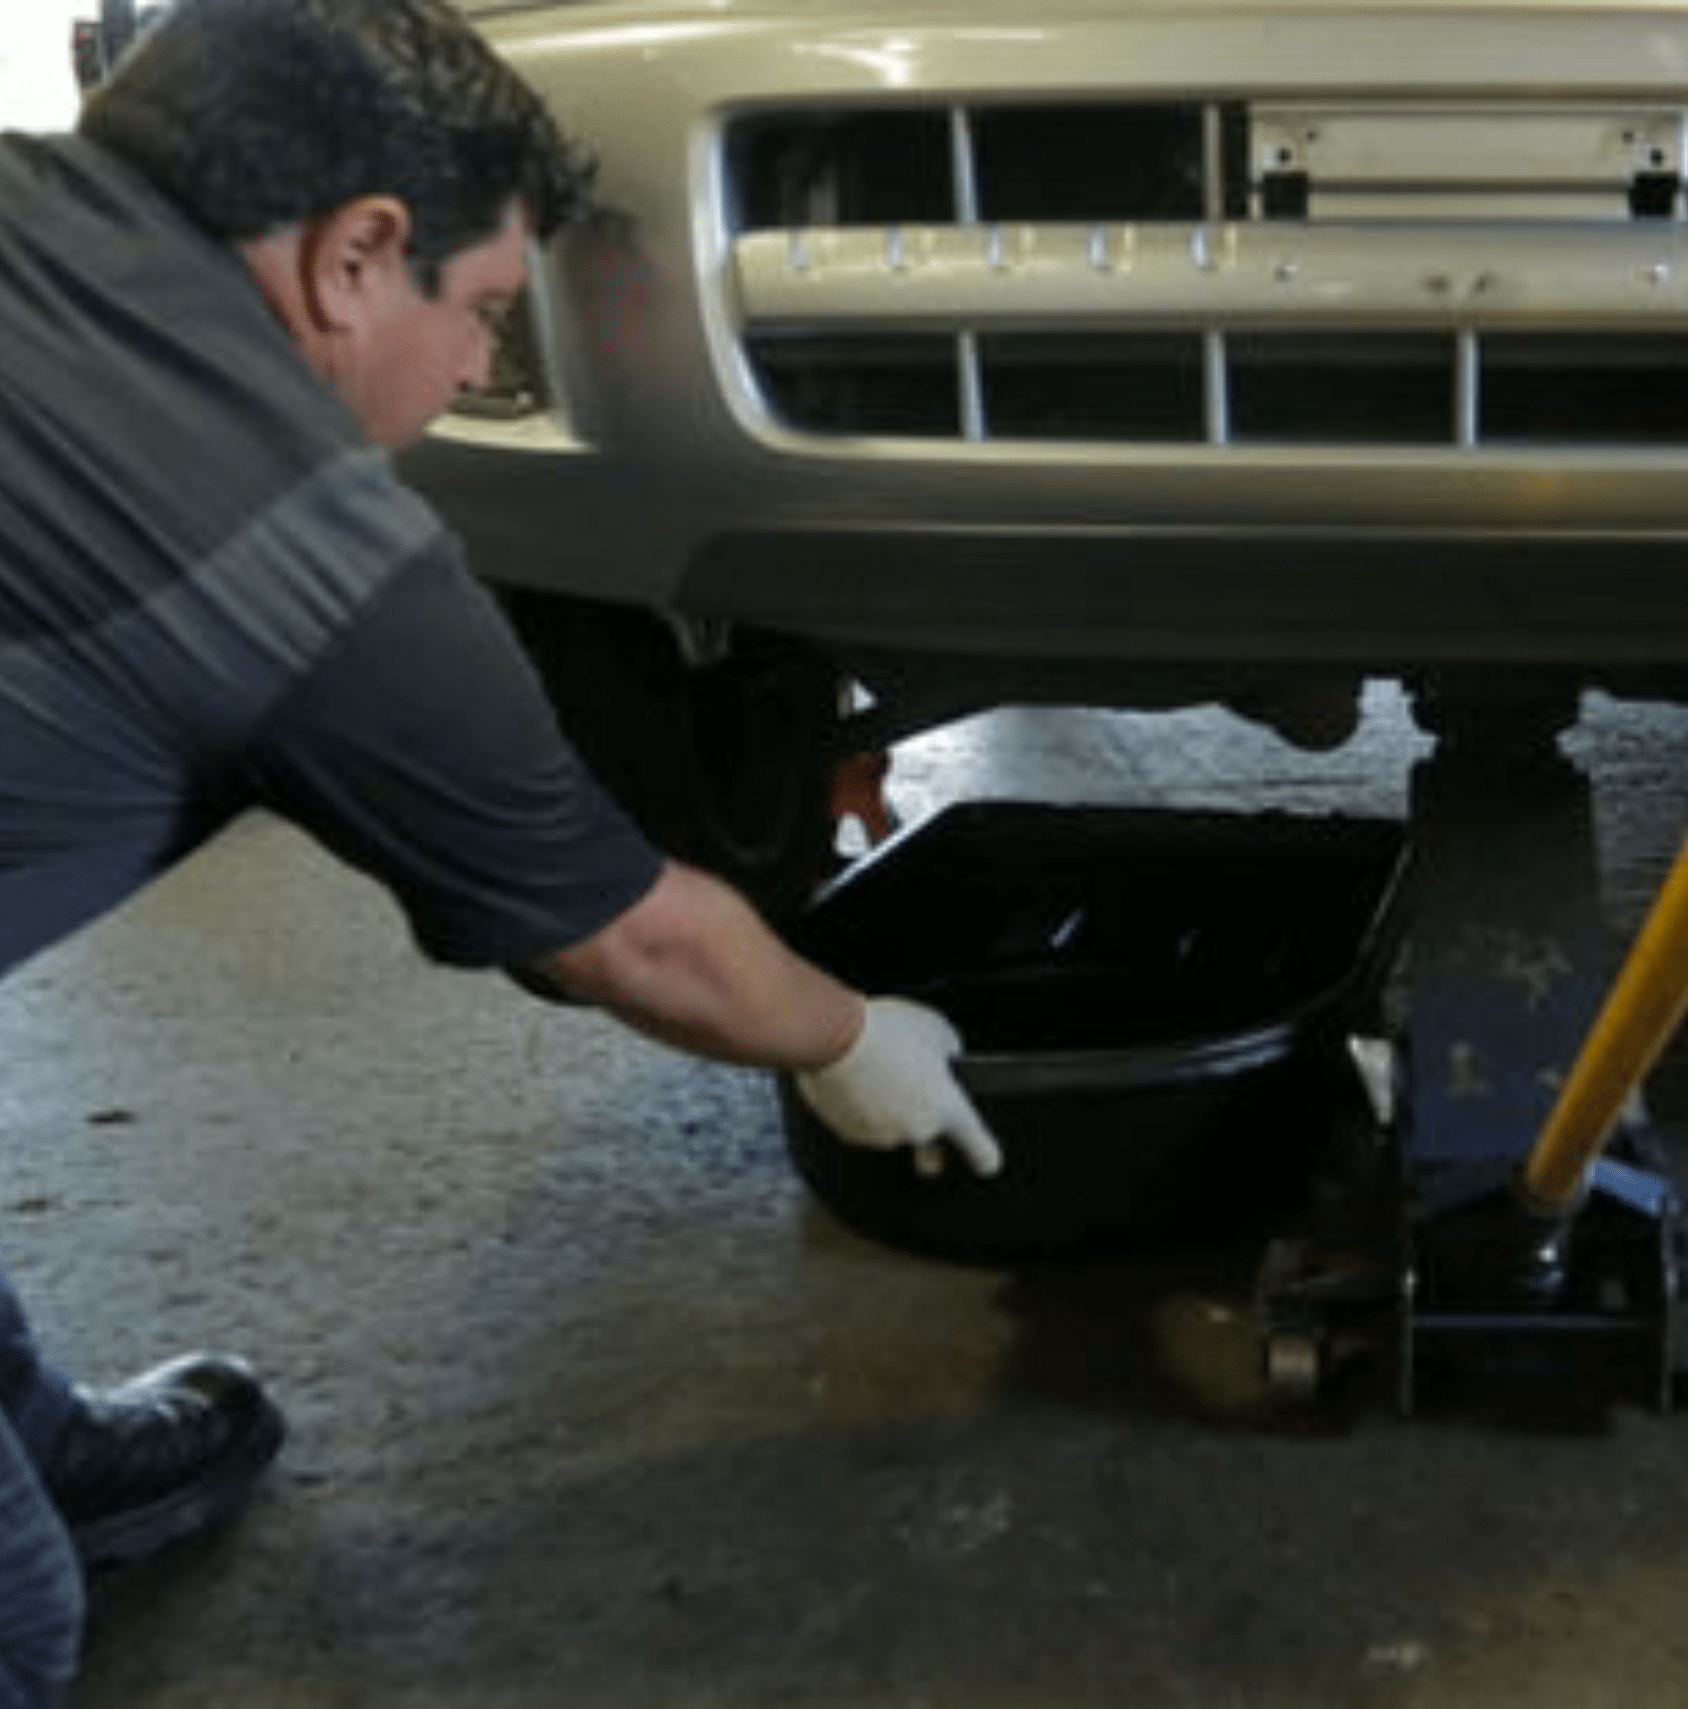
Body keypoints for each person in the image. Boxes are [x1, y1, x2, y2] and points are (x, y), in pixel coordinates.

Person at [0, 0, 1000, 1699]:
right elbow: (633, 941)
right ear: (356, 256)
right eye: (477, 310)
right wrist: (854, 1039)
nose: (474, 366)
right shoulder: (306, 547)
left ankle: (37, 1444)